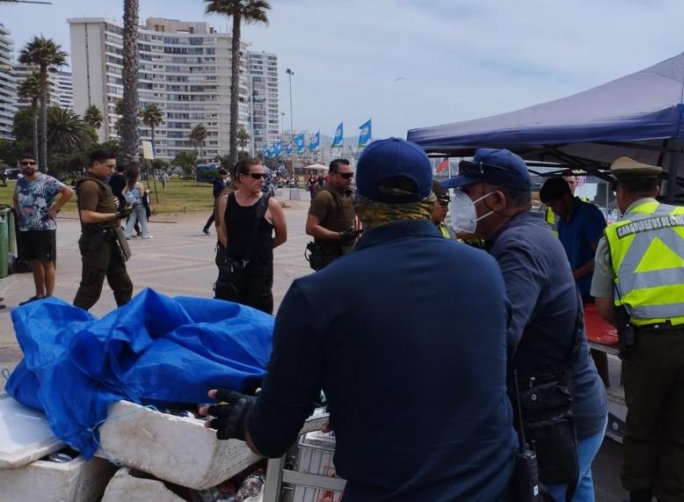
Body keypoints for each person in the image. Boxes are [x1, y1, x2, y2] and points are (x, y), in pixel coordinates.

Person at [202, 138, 517, 501]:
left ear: (360, 205)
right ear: (430, 202)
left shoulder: (317, 295)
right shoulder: (486, 271)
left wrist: (245, 418)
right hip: (492, 486)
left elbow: (272, 436)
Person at [443, 148, 607, 502]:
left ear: (497, 199)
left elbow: (498, 341)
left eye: (465, 194)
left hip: (560, 416)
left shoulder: (518, 247)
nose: (457, 203)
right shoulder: (531, 232)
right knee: (577, 489)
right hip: (574, 404)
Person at [591, 157, 684, 502]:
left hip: (648, 346)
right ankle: (675, 495)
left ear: (620, 193)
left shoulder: (614, 233)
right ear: (656, 190)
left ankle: (640, 494)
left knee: (643, 425)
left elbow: (604, 305)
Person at [541, 176, 611, 388]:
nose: (553, 210)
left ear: (566, 197)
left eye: (554, 204)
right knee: (578, 340)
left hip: (591, 291)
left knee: (596, 343)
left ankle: (603, 386)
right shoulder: (563, 222)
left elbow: (600, 259)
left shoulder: (589, 216)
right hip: (573, 290)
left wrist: (574, 275)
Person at [214, 158, 287, 314]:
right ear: (241, 177)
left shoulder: (271, 204)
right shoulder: (226, 201)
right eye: (256, 176)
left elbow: (282, 236)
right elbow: (221, 229)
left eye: (264, 176)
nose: (261, 180)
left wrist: (260, 249)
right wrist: (234, 251)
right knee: (229, 315)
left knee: (258, 317)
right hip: (232, 272)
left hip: (260, 273)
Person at [73, 151, 134, 311]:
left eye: (113, 166)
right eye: (109, 166)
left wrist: (120, 211)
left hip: (110, 241)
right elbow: (87, 216)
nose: (112, 170)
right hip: (97, 242)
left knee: (123, 286)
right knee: (90, 289)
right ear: (95, 165)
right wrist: (116, 215)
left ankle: (126, 322)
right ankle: (73, 324)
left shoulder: (101, 183)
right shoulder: (89, 186)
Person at [12, 152, 73, 305]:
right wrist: (19, 213)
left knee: (47, 262)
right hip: (26, 228)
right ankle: (39, 294)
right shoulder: (20, 182)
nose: (28, 166)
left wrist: (55, 209)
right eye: (25, 163)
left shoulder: (47, 180)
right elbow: (15, 198)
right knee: (34, 262)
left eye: (31, 163)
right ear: (20, 165)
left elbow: (68, 192)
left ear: (36, 165)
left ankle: (49, 298)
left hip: (44, 228)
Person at [305, 159, 358, 270]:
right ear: (332, 175)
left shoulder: (348, 194)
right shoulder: (324, 197)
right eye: (345, 175)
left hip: (346, 253)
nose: (349, 178)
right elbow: (310, 228)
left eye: (351, 175)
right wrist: (339, 236)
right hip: (330, 256)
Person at [123, 166, 152, 240]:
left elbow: (123, 192)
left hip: (132, 205)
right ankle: (146, 234)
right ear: (137, 176)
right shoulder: (139, 184)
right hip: (140, 204)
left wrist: (130, 198)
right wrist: (147, 191)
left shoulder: (128, 184)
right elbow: (142, 195)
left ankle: (127, 234)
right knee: (143, 219)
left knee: (131, 219)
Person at [203, 168, 229, 235]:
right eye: (225, 175)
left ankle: (206, 228)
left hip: (222, 200)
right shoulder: (217, 182)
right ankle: (206, 228)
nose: (226, 176)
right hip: (218, 200)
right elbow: (219, 191)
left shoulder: (221, 181)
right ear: (221, 175)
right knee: (215, 215)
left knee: (218, 215)